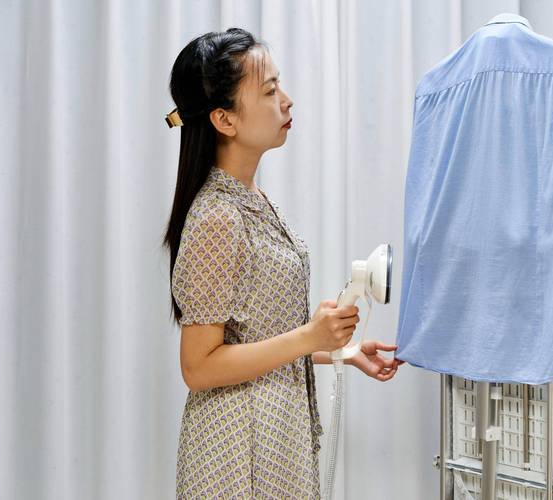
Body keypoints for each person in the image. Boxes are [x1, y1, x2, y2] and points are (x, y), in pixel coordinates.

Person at [161, 28, 404, 498]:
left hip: (273, 441)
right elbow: (199, 367)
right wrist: (309, 336)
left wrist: (338, 349)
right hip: (236, 458)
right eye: (270, 91)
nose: (287, 101)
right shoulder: (218, 216)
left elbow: (254, 340)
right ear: (224, 119)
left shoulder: (250, 199)